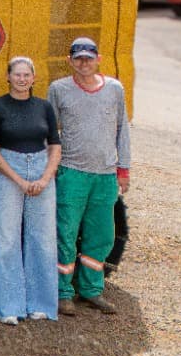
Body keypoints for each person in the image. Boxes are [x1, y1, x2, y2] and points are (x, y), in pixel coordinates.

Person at [48, 36, 131, 316]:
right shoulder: (58, 89)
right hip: (72, 173)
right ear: (69, 61)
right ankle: (62, 292)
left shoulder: (115, 89)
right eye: (78, 58)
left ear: (99, 59)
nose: (84, 62)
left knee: (102, 235)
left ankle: (92, 289)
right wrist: (51, 166)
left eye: (89, 57)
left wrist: (124, 169)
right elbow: (49, 131)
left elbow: (123, 130)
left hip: (105, 175)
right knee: (65, 233)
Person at [0, 55, 62, 324]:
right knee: (6, 238)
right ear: (8, 77)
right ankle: (8, 306)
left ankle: (40, 303)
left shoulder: (44, 107)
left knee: (43, 237)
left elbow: (55, 145)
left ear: (34, 78)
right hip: (8, 170)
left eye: (27, 74)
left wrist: (45, 177)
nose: (22, 79)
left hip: (41, 169)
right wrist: (18, 179)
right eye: (17, 74)